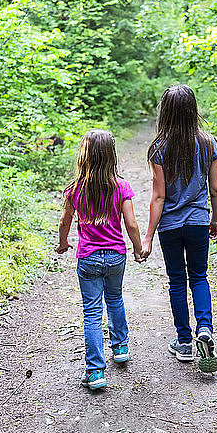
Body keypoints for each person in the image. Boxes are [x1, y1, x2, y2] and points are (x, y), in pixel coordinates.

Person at [141, 85, 217, 373]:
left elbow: (159, 196)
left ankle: (184, 342)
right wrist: (215, 219)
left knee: (177, 280)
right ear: (193, 110)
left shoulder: (159, 148)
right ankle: (205, 328)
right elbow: (215, 188)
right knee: (199, 276)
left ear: (166, 111)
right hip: (199, 221)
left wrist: (147, 237)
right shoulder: (209, 143)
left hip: (171, 226)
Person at [56, 129, 143, 390]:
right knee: (115, 299)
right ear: (111, 156)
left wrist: (63, 243)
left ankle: (95, 372)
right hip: (116, 256)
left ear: (84, 155)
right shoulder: (121, 186)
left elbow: (64, 222)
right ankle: (120, 348)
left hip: (89, 258)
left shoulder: (74, 190)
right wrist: (138, 249)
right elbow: (131, 224)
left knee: (92, 312)